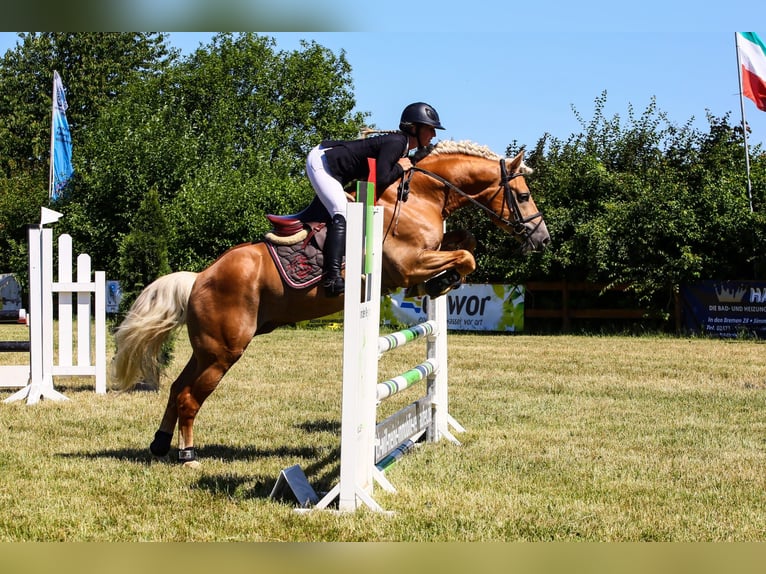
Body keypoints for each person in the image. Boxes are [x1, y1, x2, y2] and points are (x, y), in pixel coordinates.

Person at [306, 101, 445, 296]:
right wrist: (400, 167)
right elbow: (379, 180)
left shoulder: (401, 146)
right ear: (414, 128)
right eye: (430, 129)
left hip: (336, 168)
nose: (434, 134)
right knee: (342, 212)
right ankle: (331, 278)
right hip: (322, 164)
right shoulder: (397, 143)